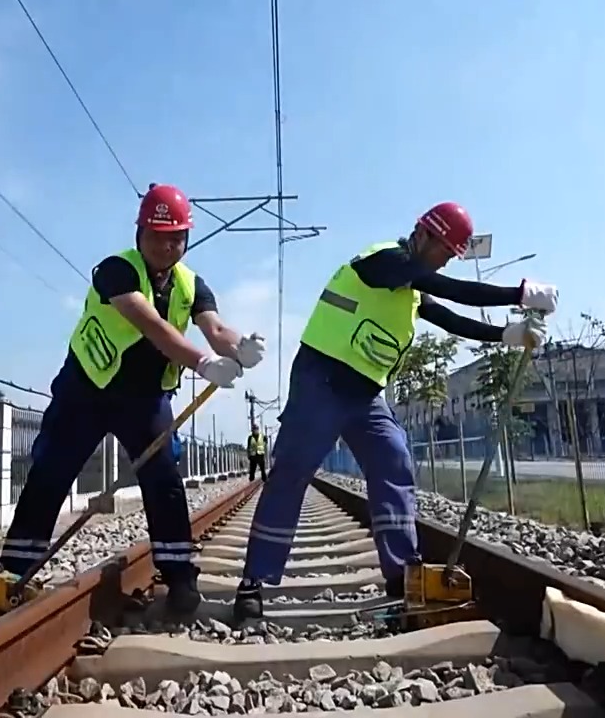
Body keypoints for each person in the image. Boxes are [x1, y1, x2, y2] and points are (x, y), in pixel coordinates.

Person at [232, 201, 558, 621]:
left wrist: (507, 335)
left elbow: (450, 318)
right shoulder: (382, 260)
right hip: (321, 382)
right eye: (443, 251)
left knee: (394, 463)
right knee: (291, 473)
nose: (444, 262)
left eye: (451, 255)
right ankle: (253, 581)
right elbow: (454, 290)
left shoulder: (412, 289)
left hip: (365, 396)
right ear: (422, 234)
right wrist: (519, 293)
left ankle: (402, 575)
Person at [0, 183, 267, 615]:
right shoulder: (115, 271)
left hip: (144, 400)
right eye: (158, 235)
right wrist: (203, 364)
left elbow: (214, 328)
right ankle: (13, 568)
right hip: (86, 389)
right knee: (52, 471)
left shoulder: (191, 285)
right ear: (140, 234)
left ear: (187, 239)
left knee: (163, 479)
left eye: (177, 236)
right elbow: (152, 325)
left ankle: (179, 575)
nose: (167, 245)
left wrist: (238, 346)